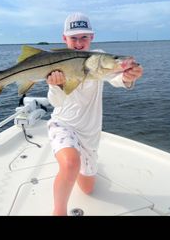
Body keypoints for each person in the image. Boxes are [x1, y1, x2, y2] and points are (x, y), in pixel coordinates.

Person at [46, 12, 143, 216]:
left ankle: (82, 162)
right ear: (64, 39)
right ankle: (58, 212)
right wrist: (56, 86)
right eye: (74, 38)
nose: (79, 42)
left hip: (90, 133)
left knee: (88, 188)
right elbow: (55, 102)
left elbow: (117, 79)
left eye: (84, 37)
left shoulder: (98, 58)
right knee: (71, 163)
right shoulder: (59, 60)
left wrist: (128, 77)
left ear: (92, 37)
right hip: (63, 124)